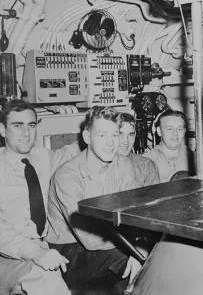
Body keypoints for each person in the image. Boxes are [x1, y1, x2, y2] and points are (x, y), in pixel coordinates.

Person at [46, 106, 142, 291]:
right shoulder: (67, 176)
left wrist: (141, 247)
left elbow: (138, 213)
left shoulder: (124, 164)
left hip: (113, 241)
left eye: (115, 135)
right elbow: (89, 239)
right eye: (103, 135)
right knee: (137, 258)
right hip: (68, 253)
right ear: (87, 137)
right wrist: (135, 251)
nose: (111, 143)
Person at [0, 99, 79, 295]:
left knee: (118, 255)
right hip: (7, 254)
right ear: (2, 130)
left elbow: (70, 153)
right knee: (46, 279)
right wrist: (36, 252)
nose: (26, 133)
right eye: (17, 126)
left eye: (31, 125)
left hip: (44, 246)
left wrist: (98, 133)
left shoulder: (42, 156)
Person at [143, 109, 195, 183]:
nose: (175, 134)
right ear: (159, 131)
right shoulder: (146, 161)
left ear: (184, 131)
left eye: (179, 129)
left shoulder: (196, 159)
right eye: (169, 129)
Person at [117, 112, 160, 186]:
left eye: (131, 134)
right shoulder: (101, 168)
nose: (126, 141)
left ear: (135, 135)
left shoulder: (147, 166)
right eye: (120, 134)